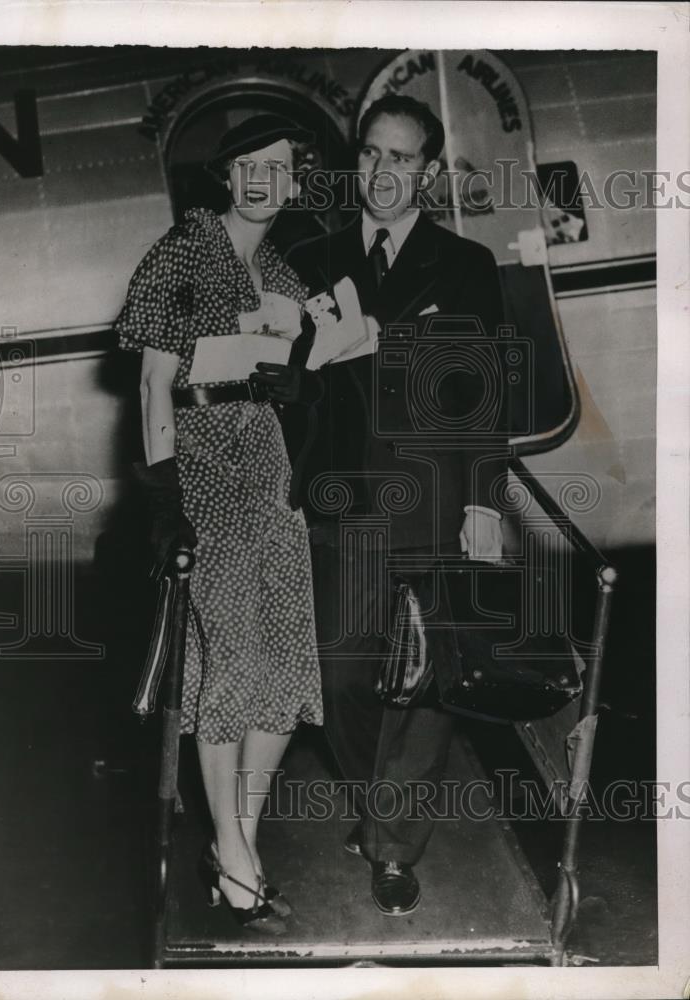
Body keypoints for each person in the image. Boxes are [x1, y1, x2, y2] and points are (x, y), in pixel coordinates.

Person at [255, 95, 508, 916]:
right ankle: (378, 806)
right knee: (342, 672)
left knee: (428, 682)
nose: (382, 173)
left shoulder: (464, 265)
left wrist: (484, 502)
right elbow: (282, 383)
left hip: (433, 497)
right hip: (342, 498)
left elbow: (479, 396)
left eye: (401, 159)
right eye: (371, 155)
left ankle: (393, 845)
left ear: (428, 172)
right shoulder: (309, 255)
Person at [114, 114, 324, 934]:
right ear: (226, 178)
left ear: (296, 184)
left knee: (284, 664)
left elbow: (297, 377)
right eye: (247, 166)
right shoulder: (180, 253)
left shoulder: (277, 268)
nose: (262, 181)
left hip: (265, 467)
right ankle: (233, 859)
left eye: (278, 168)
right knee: (230, 662)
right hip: (201, 467)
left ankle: (238, 840)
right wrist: (168, 504)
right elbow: (150, 386)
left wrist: (298, 359)